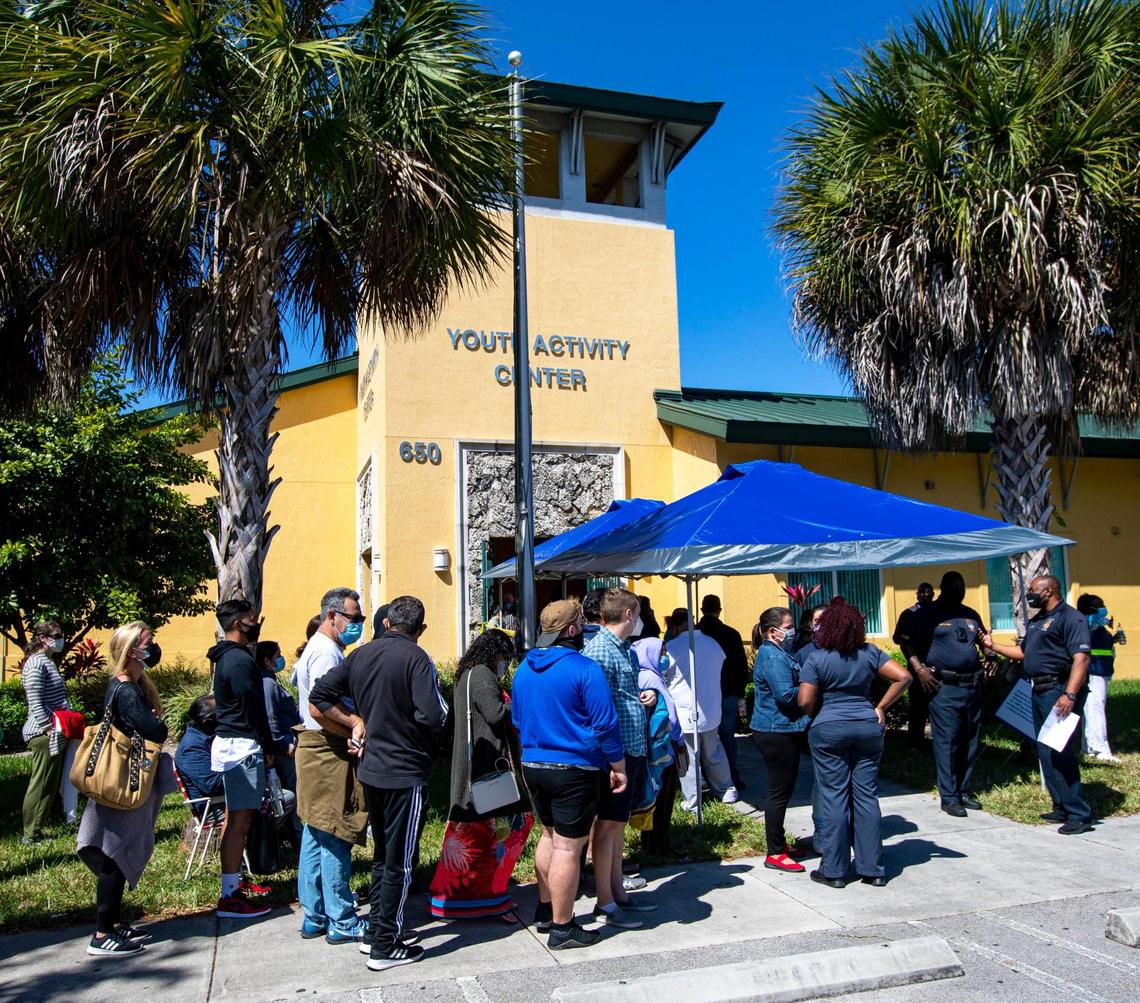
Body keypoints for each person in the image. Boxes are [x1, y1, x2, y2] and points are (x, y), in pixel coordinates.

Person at [309, 595, 448, 971]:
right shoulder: (416, 658)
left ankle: (375, 932)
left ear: (387, 624)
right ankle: (386, 943)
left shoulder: (360, 655)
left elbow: (319, 696)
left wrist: (354, 720)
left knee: (383, 854)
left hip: (372, 768)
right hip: (404, 769)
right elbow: (433, 714)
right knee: (399, 861)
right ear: (419, 629)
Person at [511, 599, 626, 951]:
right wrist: (618, 766)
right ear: (572, 630)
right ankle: (564, 927)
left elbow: (517, 720)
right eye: (582, 623)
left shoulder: (524, 669)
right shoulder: (583, 668)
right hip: (574, 768)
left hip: (533, 763)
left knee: (548, 837)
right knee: (567, 846)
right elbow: (605, 724)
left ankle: (546, 910)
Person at [77, 621, 176, 957]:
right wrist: (158, 723)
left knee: (116, 854)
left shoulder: (128, 684)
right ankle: (102, 934)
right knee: (114, 856)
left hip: (122, 779)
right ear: (133, 648)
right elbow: (153, 730)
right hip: (122, 782)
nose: (153, 647)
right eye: (148, 642)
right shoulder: (127, 689)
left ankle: (114, 925)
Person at [797, 598, 910, 888]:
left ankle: (834, 870)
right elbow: (903, 676)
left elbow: (805, 701)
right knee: (866, 796)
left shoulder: (817, 658)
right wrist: (881, 707)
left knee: (834, 796)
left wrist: (818, 714)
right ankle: (872, 868)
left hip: (829, 728)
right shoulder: (870, 652)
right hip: (867, 726)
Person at [429, 629, 533, 921]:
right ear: (495, 654)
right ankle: (490, 898)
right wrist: (521, 704)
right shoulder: (484, 675)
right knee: (509, 829)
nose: (505, 665)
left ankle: (452, 898)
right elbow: (496, 714)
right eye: (504, 658)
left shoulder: (466, 675)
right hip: (489, 766)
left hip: (472, 766)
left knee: (471, 835)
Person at [983, 575, 1094, 834]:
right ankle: (1061, 806)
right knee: (1044, 750)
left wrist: (1069, 695)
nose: (1029, 594)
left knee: (1060, 751)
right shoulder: (1038, 620)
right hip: (1038, 689)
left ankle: (1079, 813)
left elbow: (1082, 659)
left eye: (1033, 590)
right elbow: (1023, 654)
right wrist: (992, 646)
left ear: (1049, 591)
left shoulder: (1071, 618)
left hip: (1058, 690)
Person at [292, 587, 368, 944]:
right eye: (354, 619)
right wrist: (354, 724)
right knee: (337, 832)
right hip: (327, 750)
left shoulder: (322, 649)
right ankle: (341, 919)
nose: (359, 625)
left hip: (314, 750)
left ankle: (315, 913)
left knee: (316, 831)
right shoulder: (327, 654)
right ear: (332, 616)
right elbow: (319, 707)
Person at [582, 588, 657, 929]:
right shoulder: (599, 649)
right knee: (607, 825)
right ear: (629, 614)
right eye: (638, 613)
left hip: (630, 746)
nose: (639, 619)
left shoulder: (624, 649)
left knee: (617, 825)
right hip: (615, 752)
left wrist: (643, 698)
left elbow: (619, 695)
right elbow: (593, 703)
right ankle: (605, 900)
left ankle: (617, 893)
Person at [898, 572, 991, 817]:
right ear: (943, 588)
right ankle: (949, 796)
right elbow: (907, 644)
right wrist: (919, 669)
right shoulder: (927, 614)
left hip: (972, 684)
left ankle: (964, 790)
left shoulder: (971, 615)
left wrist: (991, 656)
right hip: (943, 686)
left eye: (961, 586)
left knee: (970, 739)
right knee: (947, 740)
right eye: (953, 587)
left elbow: (984, 642)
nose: (958, 590)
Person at [207, 599, 274, 919]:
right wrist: (269, 744)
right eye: (252, 620)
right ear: (237, 624)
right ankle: (230, 895)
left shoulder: (225, 657)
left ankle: (232, 883)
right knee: (239, 822)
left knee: (234, 819)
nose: (256, 624)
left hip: (233, 745)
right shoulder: (238, 661)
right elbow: (253, 707)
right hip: (242, 748)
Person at [750, 607, 812, 874]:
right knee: (778, 792)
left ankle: (779, 844)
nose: (792, 630)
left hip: (782, 729)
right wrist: (812, 686)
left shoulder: (777, 653)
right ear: (773, 631)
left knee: (783, 791)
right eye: (788, 626)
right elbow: (786, 695)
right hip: (775, 731)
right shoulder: (772, 656)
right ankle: (774, 851)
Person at [662, 607, 739, 811]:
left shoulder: (671, 647)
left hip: (685, 709)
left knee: (688, 758)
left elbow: (664, 676)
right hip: (711, 707)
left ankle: (693, 801)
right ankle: (726, 790)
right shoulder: (712, 643)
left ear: (676, 626)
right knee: (714, 751)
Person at [20, 620, 73, 844]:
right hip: (43, 733)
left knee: (49, 783)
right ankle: (30, 834)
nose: (60, 639)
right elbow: (35, 701)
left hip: (54, 731)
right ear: (43, 638)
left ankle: (37, 829)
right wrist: (48, 728)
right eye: (56, 635)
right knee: (40, 782)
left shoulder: (47, 662)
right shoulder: (36, 663)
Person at [631, 635, 685, 855]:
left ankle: (653, 841)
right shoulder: (651, 679)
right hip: (663, 749)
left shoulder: (642, 674)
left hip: (654, 748)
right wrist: (679, 740)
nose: (665, 657)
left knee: (654, 796)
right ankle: (658, 844)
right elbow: (669, 717)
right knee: (662, 798)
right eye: (661, 652)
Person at [698, 594, 750, 791]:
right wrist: (740, 692)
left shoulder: (696, 635)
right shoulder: (731, 633)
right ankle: (732, 776)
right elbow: (741, 667)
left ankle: (705, 779)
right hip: (727, 692)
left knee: (702, 739)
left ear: (702, 610)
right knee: (727, 737)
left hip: (702, 695)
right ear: (719, 610)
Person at [256, 640, 303, 839]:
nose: (281, 659)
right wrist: (284, 744)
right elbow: (270, 717)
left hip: (284, 742)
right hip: (283, 747)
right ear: (267, 660)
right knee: (292, 789)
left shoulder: (270, 679)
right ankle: (297, 834)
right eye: (278, 656)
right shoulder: (266, 682)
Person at [1077, 593, 1122, 763]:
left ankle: (1088, 746)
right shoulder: (1087, 622)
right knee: (1095, 710)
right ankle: (1100, 749)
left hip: (1101, 670)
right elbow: (1090, 627)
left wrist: (1113, 639)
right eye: (1100, 605)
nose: (1104, 608)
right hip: (1093, 671)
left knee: (1092, 710)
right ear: (1091, 609)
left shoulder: (1098, 626)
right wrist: (1099, 621)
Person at [893, 583, 935, 747]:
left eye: (928, 592)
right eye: (921, 593)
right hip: (916, 665)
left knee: (937, 706)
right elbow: (898, 639)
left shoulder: (938, 613)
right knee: (917, 706)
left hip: (937, 666)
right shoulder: (909, 614)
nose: (924, 595)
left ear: (933, 594)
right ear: (916, 595)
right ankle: (915, 742)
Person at [175, 695, 225, 805]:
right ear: (206, 722)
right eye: (221, 716)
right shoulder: (191, 748)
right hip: (215, 807)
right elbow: (213, 786)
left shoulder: (207, 736)